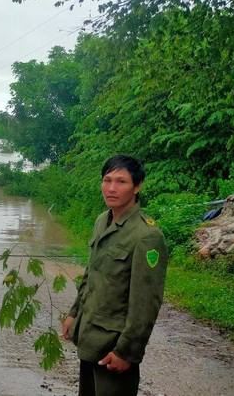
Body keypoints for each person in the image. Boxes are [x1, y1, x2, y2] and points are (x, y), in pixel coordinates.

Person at [61, 155, 167, 396]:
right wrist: (73, 313)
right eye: (107, 180)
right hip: (91, 337)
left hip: (114, 346)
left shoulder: (146, 236)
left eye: (121, 182)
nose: (111, 188)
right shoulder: (102, 221)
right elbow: (92, 275)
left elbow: (146, 302)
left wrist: (127, 352)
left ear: (137, 187)